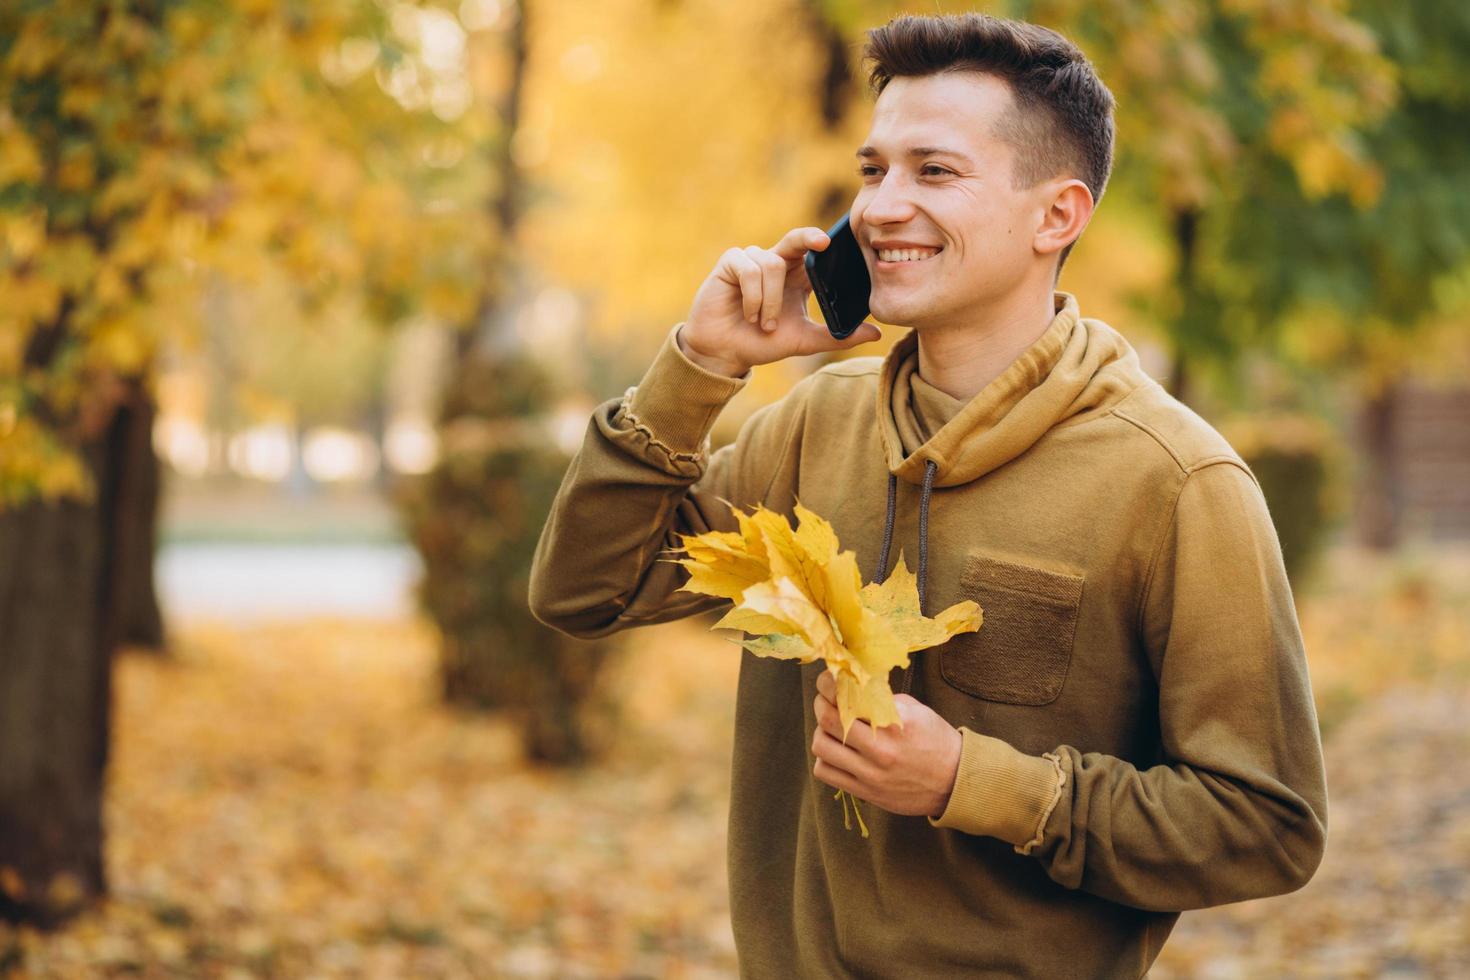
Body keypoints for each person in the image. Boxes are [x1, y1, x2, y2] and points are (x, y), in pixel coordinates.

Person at [529, 12, 1327, 979]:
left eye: (933, 172)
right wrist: (699, 368)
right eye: (873, 171)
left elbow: (1266, 827)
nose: (877, 208)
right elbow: (585, 594)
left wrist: (975, 783)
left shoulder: (1177, 481)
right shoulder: (813, 424)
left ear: (1057, 216)